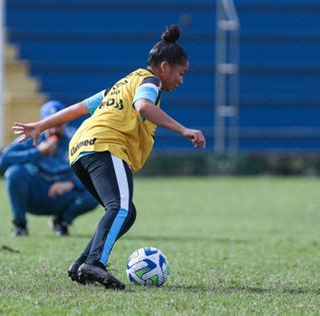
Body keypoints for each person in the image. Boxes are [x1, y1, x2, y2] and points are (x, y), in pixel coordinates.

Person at [12, 24, 205, 290]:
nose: (181, 80)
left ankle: (82, 264)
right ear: (164, 66)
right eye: (181, 73)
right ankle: (95, 264)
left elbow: (80, 107)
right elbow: (144, 107)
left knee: (126, 212)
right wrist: (184, 130)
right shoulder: (151, 82)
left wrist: (41, 125)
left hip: (80, 149)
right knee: (120, 208)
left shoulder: (122, 84)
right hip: (105, 146)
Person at [0, 101, 98, 237]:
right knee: (14, 173)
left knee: (97, 190)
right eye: (50, 125)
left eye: (59, 124)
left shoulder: (76, 137)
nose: (54, 130)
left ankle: (62, 221)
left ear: (65, 122)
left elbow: (92, 167)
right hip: (36, 191)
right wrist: (37, 152)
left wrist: (72, 184)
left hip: (62, 195)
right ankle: (20, 224)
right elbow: (2, 160)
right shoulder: (33, 136)